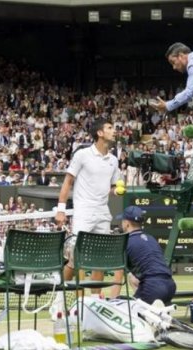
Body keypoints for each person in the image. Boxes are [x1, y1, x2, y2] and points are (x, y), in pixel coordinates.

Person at [55, 118, 123, 297]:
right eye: (110, 127)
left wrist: (117, 190)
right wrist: (60, 209)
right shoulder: (82, 155)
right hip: (83, 211)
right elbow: (68, 181)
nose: (114, 130)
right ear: (100, 133)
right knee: (77, 258)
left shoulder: (114, 160)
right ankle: (63, 299)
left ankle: (94, 301)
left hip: (103, 212)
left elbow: (114, 186)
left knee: (98, 260)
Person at [117, 206, 176, 305]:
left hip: (152, 287)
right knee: (131, 276)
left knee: (130, 314)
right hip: (170, 285)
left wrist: (112, 302)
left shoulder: (125, 242)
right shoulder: (151, 238)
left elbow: (117, 277)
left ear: (126, 224)